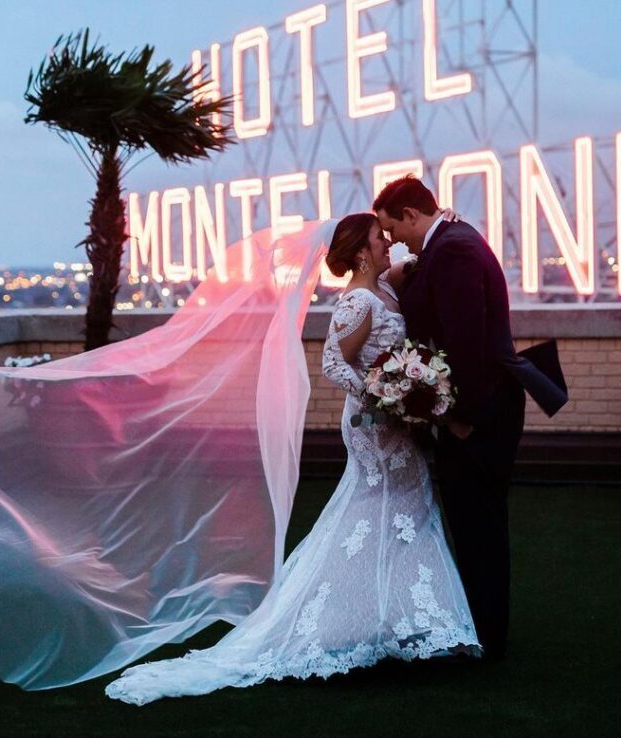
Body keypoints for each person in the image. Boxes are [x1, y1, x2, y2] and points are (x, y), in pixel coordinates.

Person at [104, 212, 481, 705]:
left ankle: (410, 619)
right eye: (378, 237)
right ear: (362, 251)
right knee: (376, 514)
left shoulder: (385, 287)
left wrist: (441, 224)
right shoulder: (359, 301)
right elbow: (331, 361)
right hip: (372, 426)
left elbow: (411, 263)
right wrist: (379, 393)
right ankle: (358, 621)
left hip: (396, 426)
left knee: (406, 512)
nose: (387, 242)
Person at [375, 175, 568, 660]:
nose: (393, 239)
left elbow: (467, 346)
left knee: (478, 523)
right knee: (474, 521)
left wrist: (459, 419)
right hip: (475, 407)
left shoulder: (455, 249)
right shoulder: (450, 241)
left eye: (392, 227)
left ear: (413, 215)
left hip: (480, 412)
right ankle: (482, 626)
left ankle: (487, 634)